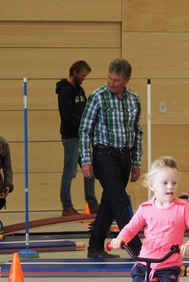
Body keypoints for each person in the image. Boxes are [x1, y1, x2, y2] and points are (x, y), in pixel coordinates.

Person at [79, 58, 143, 259]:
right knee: (121, 201)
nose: (111, 83)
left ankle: (95, 248)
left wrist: (136, 161)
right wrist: (86, 160)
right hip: (103, 155)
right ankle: (135, 247)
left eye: (116, 80)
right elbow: (84, 130)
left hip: (124, 156)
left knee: (109, 203)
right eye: (109, 78)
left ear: (126, 80)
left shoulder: (134, 99)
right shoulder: (97, 97)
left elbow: (137, 132)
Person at [56, 60, 98, 216]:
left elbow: (86, 110)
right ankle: (67, 206)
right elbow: (67, 115)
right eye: (82, 75)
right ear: (74, 72)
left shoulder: (80, 90)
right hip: (71, 137)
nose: (84, 78)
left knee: (89, 170)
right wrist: (84, 124)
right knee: (70, 171)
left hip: (82, 136)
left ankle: (92, 203)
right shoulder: (65, 91)